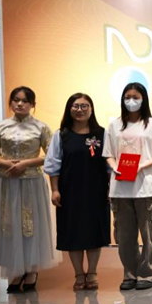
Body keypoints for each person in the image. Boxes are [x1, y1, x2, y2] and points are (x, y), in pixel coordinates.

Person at [0, 86, 58, 291]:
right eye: (16, 100)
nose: (20, 104)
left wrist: (26, 163)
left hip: (32, 182)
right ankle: (16, 270)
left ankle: (32, 269)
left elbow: (51, 155)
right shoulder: (0, 127)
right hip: (6, 181)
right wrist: (6, 163)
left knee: (31, 224)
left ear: (33, 104)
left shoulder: (41, 127)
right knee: (8, 224)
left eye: (25, 101)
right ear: (10, 102)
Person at [103, 82, 152, 291]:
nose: (131, 101)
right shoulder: (114, 125)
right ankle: (129, 273)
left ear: (143, 99)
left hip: (145, 186)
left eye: (136, 97)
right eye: (127, 97)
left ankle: (147, 273)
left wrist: (141, 166)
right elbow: (108, 153)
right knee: (124, 235)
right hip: (121, 188)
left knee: (149, 234)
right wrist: (115, 167)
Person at [44, 93, 110, 290]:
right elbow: (53, 165)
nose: (80, 110)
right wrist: (55, 190)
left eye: (84, 106)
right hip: (69, 192)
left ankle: (92, 273)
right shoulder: (61, 135)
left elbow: (109, 165)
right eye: (75, 106)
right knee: (72, 233)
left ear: (91, 109)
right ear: (69, 109)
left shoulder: (102, 134)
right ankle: (79, 274)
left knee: (94, 232)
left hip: (96, 191)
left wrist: (110, 189)